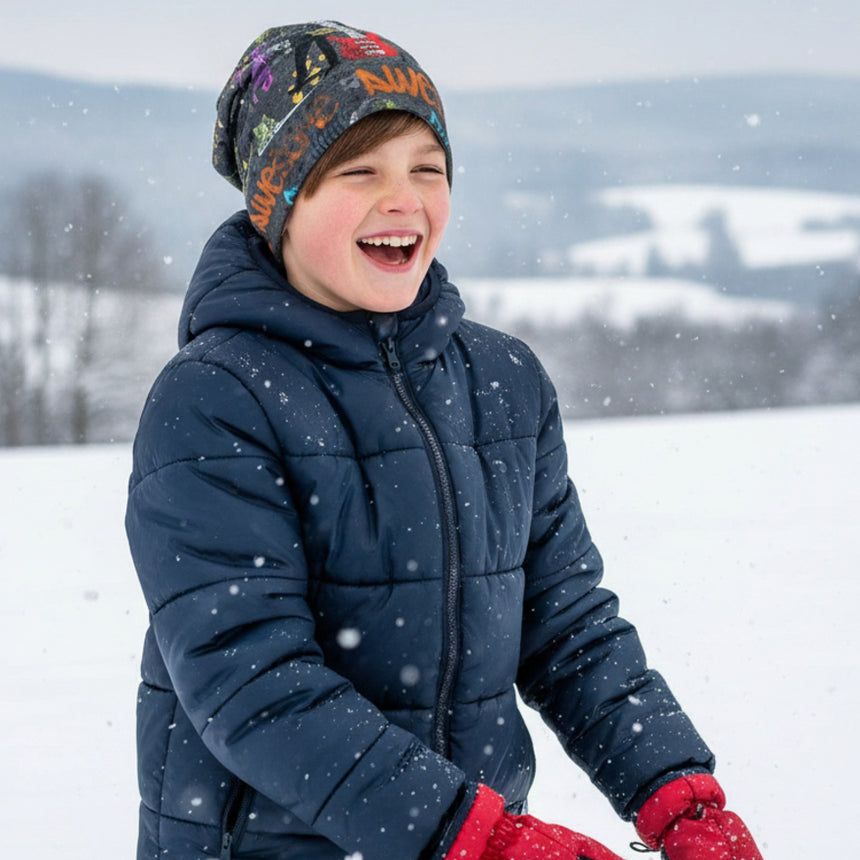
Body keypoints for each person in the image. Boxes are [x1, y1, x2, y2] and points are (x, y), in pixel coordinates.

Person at [125, 21, 764, 860]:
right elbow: (249, 680)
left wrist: (676, 794)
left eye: (428, 169)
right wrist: (480, 837)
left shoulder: (501, 381)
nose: (404, 199)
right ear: (278, 203)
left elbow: (566, 626)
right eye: (359, 172)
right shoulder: (216, 397)